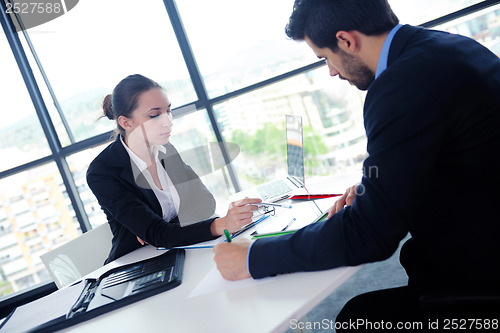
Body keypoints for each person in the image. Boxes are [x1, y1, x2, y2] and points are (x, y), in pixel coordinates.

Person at [213, 0, 500, 328]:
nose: (332, 72)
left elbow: (370, 235)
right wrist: (377, 189)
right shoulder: (451, 45)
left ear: (346, 40)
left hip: (479, 273)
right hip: (484, 223)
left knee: (356, 318)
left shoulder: (399, 85)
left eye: (325, 58)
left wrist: (253, 257)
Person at [87, 74, 261, 264]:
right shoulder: (103, 172)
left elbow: (205, 201)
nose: (168, 122)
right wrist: (220, 225)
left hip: (183, 250)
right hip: (138, 264)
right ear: (126, 123)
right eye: (154, 115)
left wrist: (166, 230)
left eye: (168, 111)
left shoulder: (165, 149)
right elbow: (158, 234)